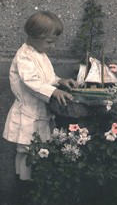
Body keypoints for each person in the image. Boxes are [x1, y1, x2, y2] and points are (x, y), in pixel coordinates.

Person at [3, 11, 77, 181]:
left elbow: (47, 78)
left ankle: (33, 184)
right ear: (36, 36)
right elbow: (32, 82)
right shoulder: (24, 57)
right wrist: (54, 92)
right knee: (26, 151)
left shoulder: (40, 55)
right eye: (49, 42)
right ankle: (22, 187)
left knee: (37, 150)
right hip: (28, 114)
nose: (52, 46)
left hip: (40, 112)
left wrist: (60, 81)